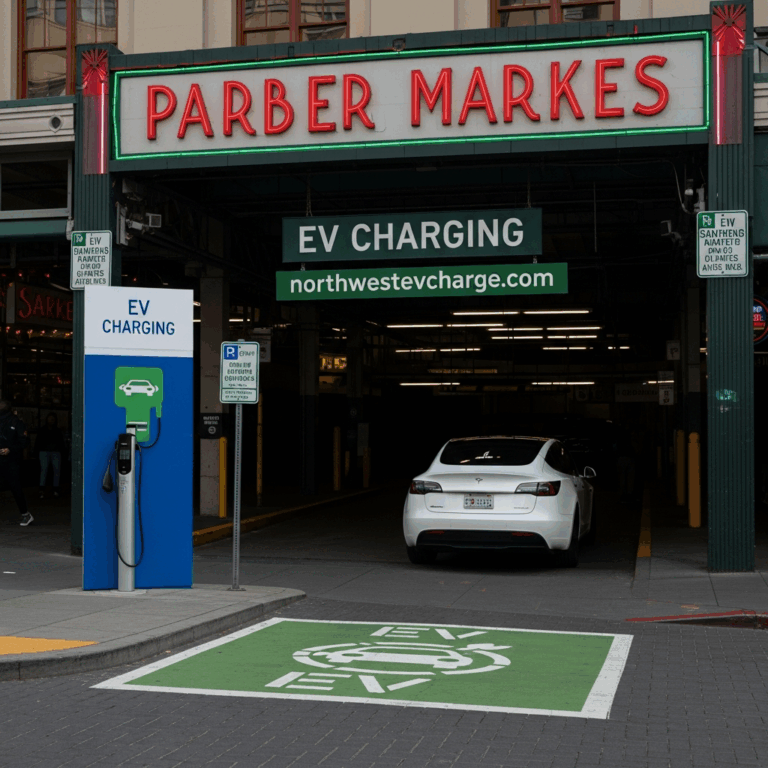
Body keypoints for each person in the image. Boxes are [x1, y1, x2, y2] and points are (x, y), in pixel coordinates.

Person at [0, 400, 31, 526]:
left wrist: (10, 449)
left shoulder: (16, 422)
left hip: (11, 460)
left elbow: (24, 442)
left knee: (15, 487)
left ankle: (25, 514)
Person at [35, 412, 65, 499]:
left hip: (54, 452)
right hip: (46, 452)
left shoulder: (57, 431)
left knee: (55, 471)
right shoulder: (43, 430)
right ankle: (44, 489)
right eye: (50, 418)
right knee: (45, 471)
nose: (51, 420)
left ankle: (53, 489)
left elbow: (61, 442)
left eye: (53, 419)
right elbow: (38, 442)